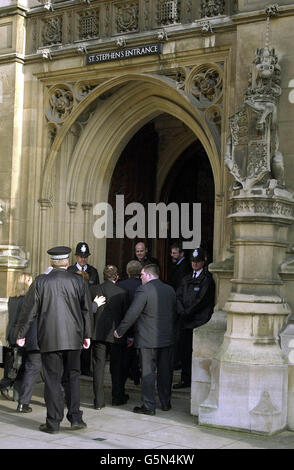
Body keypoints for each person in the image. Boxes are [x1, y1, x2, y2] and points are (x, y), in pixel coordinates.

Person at [16, 246, 92, 434]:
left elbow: (29, 310)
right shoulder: (78, 281)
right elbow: (86, 310)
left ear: (52, 262)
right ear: (67, 262)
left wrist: (21, 334)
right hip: (74, 338)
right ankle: (75, 418)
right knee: (73, 376)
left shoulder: (41, 281)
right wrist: (87, 335)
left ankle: (53, 422)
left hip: (49, 338)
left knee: (52, 380)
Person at [114, 264, 177, 416]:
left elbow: (133, 313)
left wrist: (120, 331)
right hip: (167, 338)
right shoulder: (170, 290)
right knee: (165, 372)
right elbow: (177, 311)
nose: (140, 278)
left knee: (148, 372)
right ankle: (165, 402)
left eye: (141, 275)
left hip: (148, 339)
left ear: (148, 275)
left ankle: (148, 405)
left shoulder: (144, 290)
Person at [173, 247, 215, 390]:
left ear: (204, 261)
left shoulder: (207, 280)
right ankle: (185, 379)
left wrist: (187, 312)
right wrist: (181, 311)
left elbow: (202, 300)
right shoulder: (186, 278)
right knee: (184, 352)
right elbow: (177, 296)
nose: (195, 264)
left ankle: (195, 379)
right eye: (193, 261)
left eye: (198, 261)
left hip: (197, 322)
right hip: (185, 322)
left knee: (195, 353)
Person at [90, 265, 129, 410]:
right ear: (116, 276)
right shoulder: (122, 292)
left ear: (104, 275)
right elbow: (126, 316)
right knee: (116, 367)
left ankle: (98, 401)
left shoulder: (93, 290)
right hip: (116, 335)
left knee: (98, 368)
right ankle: (117, 397)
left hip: (98, 335)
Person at [0, 273, 34, 406]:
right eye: (30, 281)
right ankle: (9, 388)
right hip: (21, 335)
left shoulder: (12, 299)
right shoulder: (26, 300)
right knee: (19, 367)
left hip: (11, 334)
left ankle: (16, 395)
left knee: (15, 366)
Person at [68, 241, 99, 376]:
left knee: (87, 338)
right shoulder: (70, 271)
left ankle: (85, 368)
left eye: (85, 256)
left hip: (87, 310)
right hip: (72, 310)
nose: (83, 259)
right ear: (76, 256)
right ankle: (73, 366)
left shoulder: (93, 271)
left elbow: (96, 290)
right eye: (81, 256)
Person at [117, 260, 142, 386]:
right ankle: (136, 375)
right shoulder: (144, 285)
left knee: (125, 354)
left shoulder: (120, 285)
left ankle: (127, 375)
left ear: (127, 272)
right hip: (141, 325)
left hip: (124, 324)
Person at [169, 242, 192, 370]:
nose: (172, 255)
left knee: (178, 335)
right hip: (177, 303)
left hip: (180, 305)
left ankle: (177, 361)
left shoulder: (183, 267)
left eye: (174, 253)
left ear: (182, 254)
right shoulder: (178, 265)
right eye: (172, 253)